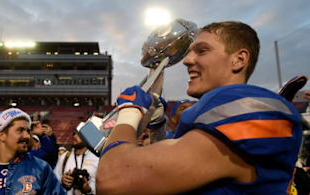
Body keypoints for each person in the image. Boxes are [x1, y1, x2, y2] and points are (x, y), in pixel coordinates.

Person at [96, 21, 303, 194]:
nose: (187, 60)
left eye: (202, 51)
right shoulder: (213, 117)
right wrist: (158, 127)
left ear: (239, 59)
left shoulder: (244, 107)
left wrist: (130, 112)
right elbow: (168, 170)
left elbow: (113, 178)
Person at [0, 108, 66, 195]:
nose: (26, 136)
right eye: (20, 130)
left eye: (28, 130)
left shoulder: (41, 169)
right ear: (2, 135)